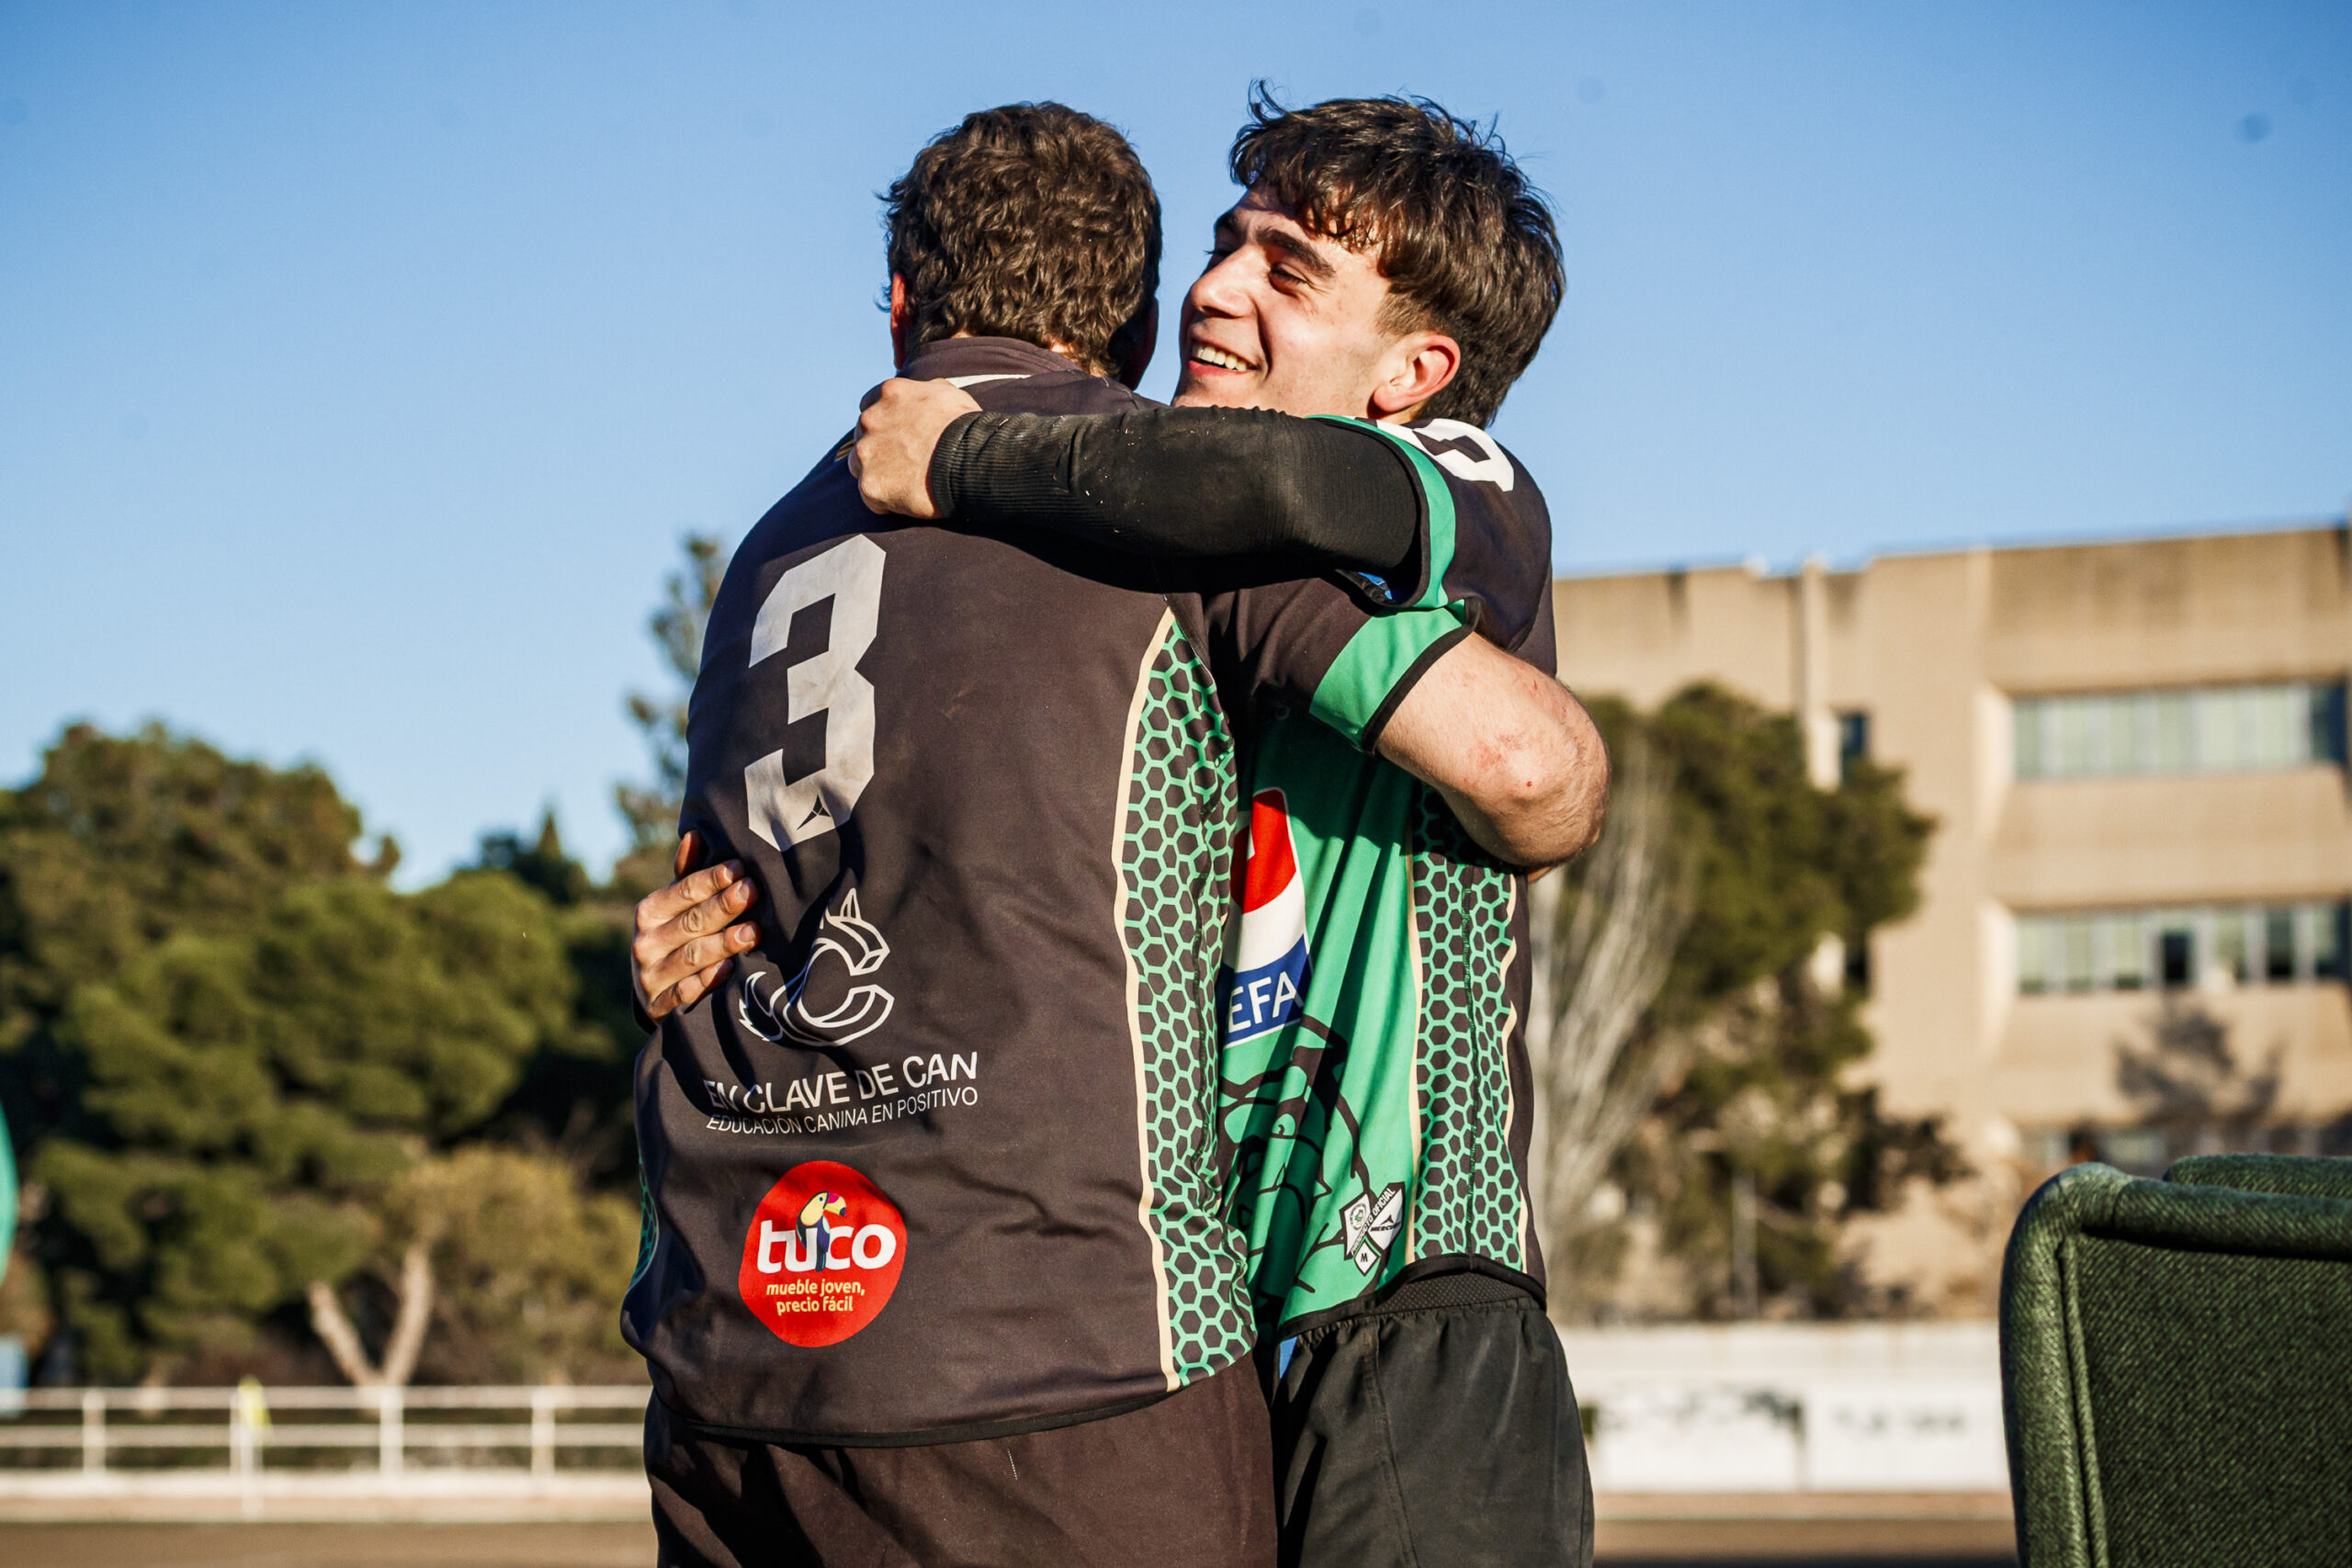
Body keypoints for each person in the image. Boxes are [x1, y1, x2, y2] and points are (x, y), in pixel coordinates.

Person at [625, 101, 1599, 1568]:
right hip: (1227, 1293)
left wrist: (970, 458)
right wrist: (727, 939)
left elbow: (1533, 768)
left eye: (1286, 268)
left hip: (1405, 1293)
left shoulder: (1445, 480)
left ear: (1416, 374)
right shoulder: (1178, 541)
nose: (1217, 290)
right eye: (1222, 246)